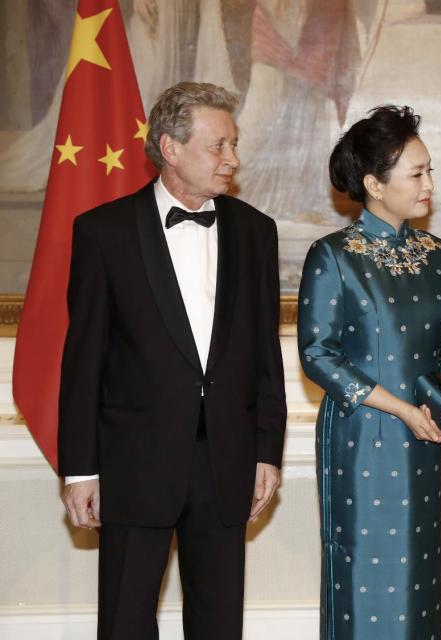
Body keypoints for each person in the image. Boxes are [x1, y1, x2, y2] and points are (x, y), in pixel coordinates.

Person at [58, 81, 287, 639]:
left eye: (233, 145)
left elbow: (265, 355)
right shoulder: (102, 232)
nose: (232, 159)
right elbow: (83, 360)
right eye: (218, 146)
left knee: (218, 622)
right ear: (170, 147)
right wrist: (80, 468)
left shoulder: (256, 231)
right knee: (125, 620)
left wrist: (266, 451)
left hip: (227, 460)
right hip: (133, 463)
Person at [298, 105, 441, 639]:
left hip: (426, 435)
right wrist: (402, 410)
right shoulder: (333, 256)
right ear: (374, 183)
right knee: (363, 570)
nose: (428, 185)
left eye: (428, 171)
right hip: (363, 435)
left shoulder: (438, 254)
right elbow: (318, 353)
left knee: (418, 570)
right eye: (416, 174)